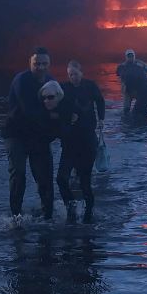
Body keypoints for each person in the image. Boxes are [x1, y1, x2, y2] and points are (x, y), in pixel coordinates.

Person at [2, 46, 54, 219]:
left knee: (45, 176)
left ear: (49, 64)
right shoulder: (21, 80)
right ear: (30, 63)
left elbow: (61, 103)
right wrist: (53, 115)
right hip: (16, 133)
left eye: (44, 63)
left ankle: (48, 215)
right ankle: (16, 216)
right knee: (18, 174)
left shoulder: (51, 81)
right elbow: (29, 109)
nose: (40, 67)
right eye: (36, 63)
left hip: (39, 135)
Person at [59, 60, 105, 223]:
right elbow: (55, 106)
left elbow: (100, 101)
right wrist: (65, 117)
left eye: (76, 74)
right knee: (61, 178)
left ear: (81, 73)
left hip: (87, 139)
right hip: (69, 141)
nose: (73, 77)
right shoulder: (63, 88)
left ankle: (88, 213)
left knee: (85, 180)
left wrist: (101, 119)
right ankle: (71, 208)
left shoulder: (90, 86)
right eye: (70, 74)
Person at [116, 49, 147, 120]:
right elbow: (119, 75)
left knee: (140, 107)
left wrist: (143, 66)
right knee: (126, 109)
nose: (130, 57)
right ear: (126, 57)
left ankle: (138, 117)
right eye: (129, 56)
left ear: (134, 56)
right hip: (128, 89)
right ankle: (128, 118)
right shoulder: (122, 66)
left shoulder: (139, 64)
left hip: (138, 89)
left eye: (132, 56)